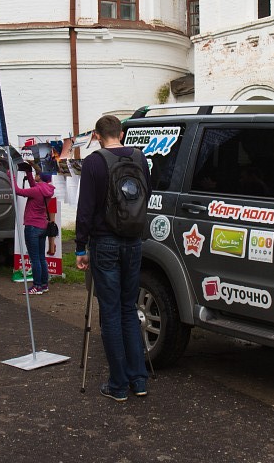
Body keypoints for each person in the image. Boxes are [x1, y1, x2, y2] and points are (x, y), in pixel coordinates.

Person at [75, 115, 151, 401]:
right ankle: (139, 380)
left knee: (110, 313)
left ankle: (118, 384)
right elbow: (147, 194)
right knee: (128, 308)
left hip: (104, 242)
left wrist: (81, 247)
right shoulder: (139, 158)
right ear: (121, 133)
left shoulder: (94, 162)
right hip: (133, 241)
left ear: (96, 135)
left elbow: (86, 208)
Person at [12, 164, 55, 295]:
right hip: (42, 226)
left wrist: (11, 176)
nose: (35, 175)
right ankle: (44, 284)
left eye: (37, 173)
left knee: (35, 259)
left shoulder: (36, 190)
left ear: (40, 177)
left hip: (32, 227)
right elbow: (34, 187)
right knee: (41, 258)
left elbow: (18, 191)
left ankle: (36, 286)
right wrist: (28, 173)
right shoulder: (47, 189)